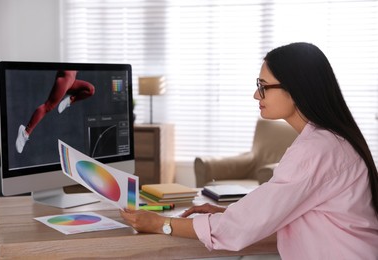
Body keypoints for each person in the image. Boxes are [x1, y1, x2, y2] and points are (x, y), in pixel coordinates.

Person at [120, 42, 378, 259]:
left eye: (263, 85)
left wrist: (160, 224)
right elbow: (283, 207)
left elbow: (240, 228)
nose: (257, 95)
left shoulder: (315, 150)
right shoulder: (333, 139)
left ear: (296, 90)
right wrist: (227, 212)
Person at [15, 70, 95, 153]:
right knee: (48, 107)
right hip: (65, 79)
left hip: (71, 81)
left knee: (90, 90)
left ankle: (69, 100)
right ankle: (25, 132)